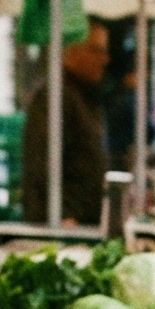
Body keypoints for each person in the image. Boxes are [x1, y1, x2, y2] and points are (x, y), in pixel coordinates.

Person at [20, 18, 110, 226]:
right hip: (63, 225)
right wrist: (59, 216)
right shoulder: (55, 97)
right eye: (96, 50)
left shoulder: (81, 94)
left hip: (83, 222)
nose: (105, 59)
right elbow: (39, 162)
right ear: (70, 52)